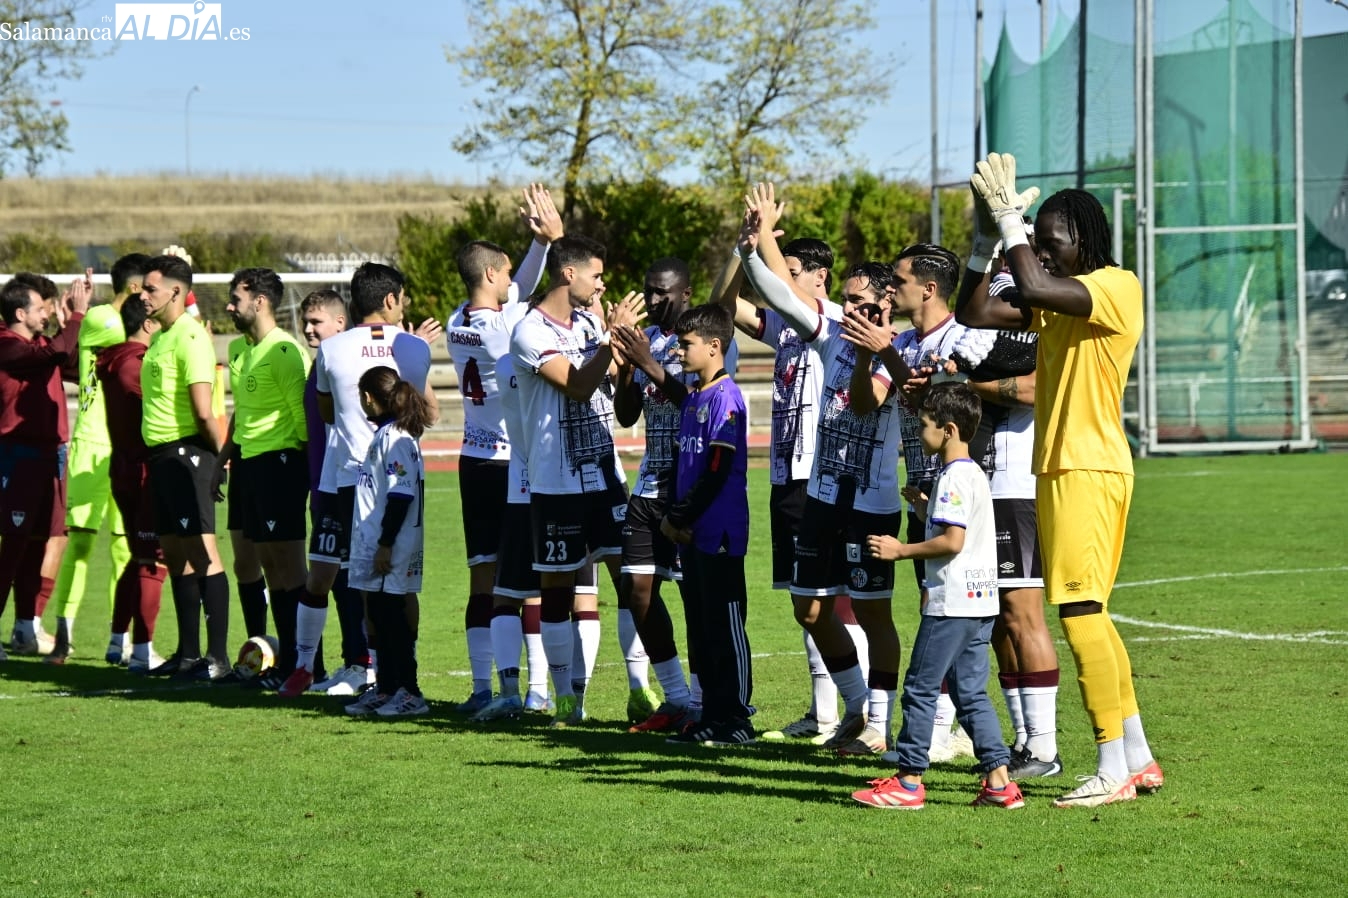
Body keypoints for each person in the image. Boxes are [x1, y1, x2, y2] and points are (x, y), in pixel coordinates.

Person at [961, 151, 1161, 807]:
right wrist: (987, 243)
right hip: (1061, 468)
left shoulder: (1115, 285)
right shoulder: (1054, 300)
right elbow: (975, 313)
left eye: (1052, 242)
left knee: (1077, 612)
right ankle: (1137, 758)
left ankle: (1111, 766)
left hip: (1088, 466)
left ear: (1085, 239)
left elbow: (1036, 285)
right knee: (1091, 614)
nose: (1042, 254)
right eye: (1038, 244)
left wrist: (1012, 223)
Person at [739, 184, 903, 756]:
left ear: (886, 303)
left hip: (870, 501)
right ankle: (854, 708)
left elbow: (864, 403)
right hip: (821, 495)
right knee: (808, 607)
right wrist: (749, 249)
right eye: (848, 301)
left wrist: (869, 349)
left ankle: (880, 722)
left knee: (874, 614)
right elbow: (779, 295)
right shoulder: (829, 330)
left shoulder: (894, 348)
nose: (851, 310)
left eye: (862, 303)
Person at [711, 210, 868, 746]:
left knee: (833, 601)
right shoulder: (786, 327)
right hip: (786, 477)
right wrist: (741, 251)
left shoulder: (835, 319)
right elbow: (723, 308)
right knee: (807, 601)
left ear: (820, 276)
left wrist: (763, 248)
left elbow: (781, 291)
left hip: (820, 477)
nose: (779, 282)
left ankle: (863, 713)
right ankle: (825, 714)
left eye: (792, 271)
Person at [851, 382, 1024, 810]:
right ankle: (1000, 783)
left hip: (952, 603)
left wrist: (901, 550)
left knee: (919, 687)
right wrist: (925, 509)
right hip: (980, 602)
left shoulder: (952, 477)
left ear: (948, 430)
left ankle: (908, 782)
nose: (919, 432)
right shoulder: (972, 473)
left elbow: (952, 541)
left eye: (924, 424)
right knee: (970, 694)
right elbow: (961, 528)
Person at [281, 262, 440, 697]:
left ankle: (375, 676)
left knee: (362, 585)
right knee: (396, 583)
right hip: (398, 478)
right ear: (390, 299)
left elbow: (327, 413)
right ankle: (394, 677)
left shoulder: (331, 350)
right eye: (402, 297)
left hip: (347, 480)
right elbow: (426, 415)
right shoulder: (412, 347)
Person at [508, 234, 643, 727]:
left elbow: (616, 395)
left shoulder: (589, 322)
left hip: (606, 478)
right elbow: (580, 385)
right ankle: (566, 698)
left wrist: (624, 356)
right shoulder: (529, 331)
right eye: (597, 275)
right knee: (558, 592)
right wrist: (609, 341)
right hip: (556, 484)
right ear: (569, 273)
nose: (602, 284)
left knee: (633, 582)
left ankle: (641, 690)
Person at [444, 184, 561, 713]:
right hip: (512, 464)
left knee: (482, 577)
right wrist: (549, 241)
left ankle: (481, 688)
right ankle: (536, 690)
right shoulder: (507, 327)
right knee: (526, 583)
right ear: (491, 274)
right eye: (506, 272)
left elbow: (519, 287)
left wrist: (536, 246)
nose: (514, 280)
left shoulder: (456, 321)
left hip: (472, 461)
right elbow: (532, 294)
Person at [611, 257, 741, 733]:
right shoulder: (646, 339)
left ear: (686, 293)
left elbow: (697, 404)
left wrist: (647, 362)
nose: (652, 299)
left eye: (662, 291)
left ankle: (705, 703)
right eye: (648, 290)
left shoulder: (701, 344)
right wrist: (627, 369)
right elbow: (627, 416)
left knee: (695, 601)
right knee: (635, 590)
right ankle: (676, 698)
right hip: (649, 484)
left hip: (688, 490)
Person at [947, 248, 1062, 779]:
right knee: (997, 622)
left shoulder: (1049, 316)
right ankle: (1024, 743)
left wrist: (967, 386)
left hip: (1018, 483)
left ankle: (1045, 749)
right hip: (984, 483)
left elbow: (1039, 389)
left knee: (1023, 613)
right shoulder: (993, 307)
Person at [44, 256, 148, 663]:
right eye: (149, 287)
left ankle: (119, 639)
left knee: (125, 548)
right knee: (84, 544)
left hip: (121, 445)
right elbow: (140, 337)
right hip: (95, 443)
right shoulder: (105, 318)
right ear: (136, 288)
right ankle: (67, 635)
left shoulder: (106, 317)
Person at [659, 304, 754, 746]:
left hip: (718, 532)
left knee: (725, 625)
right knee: (701, 627)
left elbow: (717, 468)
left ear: (715, 346)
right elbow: (684, 463)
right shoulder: (694, 397)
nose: (679, 352)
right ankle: (712, 716)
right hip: (691, 534)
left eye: (686, 344)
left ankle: (737, 718)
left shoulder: (726, 398)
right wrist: (672, 516)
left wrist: (678, 517)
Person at [212, 269, 311, 684]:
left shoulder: (285, 351)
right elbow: (243, 411)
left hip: (280, 464)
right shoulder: (241, 350)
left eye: (235, 299)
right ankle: (276, 659)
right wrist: (223, 459)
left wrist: (302, 472)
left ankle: (304, 663)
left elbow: (304, 420)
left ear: (260, 301)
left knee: (289, 570)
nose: (229, 306)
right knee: (262, 566)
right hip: (249, 465)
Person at [136, 253, 230, 680]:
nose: (143, 295)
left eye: (150, 288)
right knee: (176, 555)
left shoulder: (191, 337)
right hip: (161, 457)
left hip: (188, 454)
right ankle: (189, 653)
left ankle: (218, 658)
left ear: (175, 291)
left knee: (203, 553)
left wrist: (220, 458)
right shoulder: (161, 337)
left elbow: (204, 411)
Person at [0, 274, 90, 658]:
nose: (47, 314)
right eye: (41, 308)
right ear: (20, 313)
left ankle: (25, 629)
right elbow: (52, 355)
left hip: (51, 455)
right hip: (18, 456)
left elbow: (71, 363)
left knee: (37, 544)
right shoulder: (6, 344)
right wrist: (77, 317)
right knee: (13, 547)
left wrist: (70, 324)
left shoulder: (39, 344)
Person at [342, 366, 432, 718]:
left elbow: (400, 495)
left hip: (392, 545)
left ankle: (410, 692)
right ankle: (388, 687)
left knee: (392, 619)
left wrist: (385, 543)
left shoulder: (394, 438)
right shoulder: (389, 435)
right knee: (380, 615)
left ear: (368, 397)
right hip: (383, 544)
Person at [96, 297, 168, 672]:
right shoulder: (134, 365)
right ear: (148, 324)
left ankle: (117, 640)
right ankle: (143, 651)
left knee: (140, 556)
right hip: (142, 472)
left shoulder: (115, 360)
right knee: (154, 560)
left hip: (124, 469)